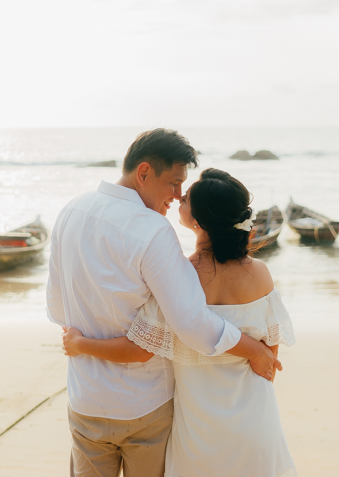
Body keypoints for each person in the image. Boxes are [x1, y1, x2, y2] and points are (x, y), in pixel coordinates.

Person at [46, 129, 281, 477]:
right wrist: (255, 349)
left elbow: (57, 308)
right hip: (145, 407)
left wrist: (82, 343)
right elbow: (192, 324)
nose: (176, 195)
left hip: (87, 400)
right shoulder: (153, 230)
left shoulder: (70, 211)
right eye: (174, 183)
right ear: (144, 173)